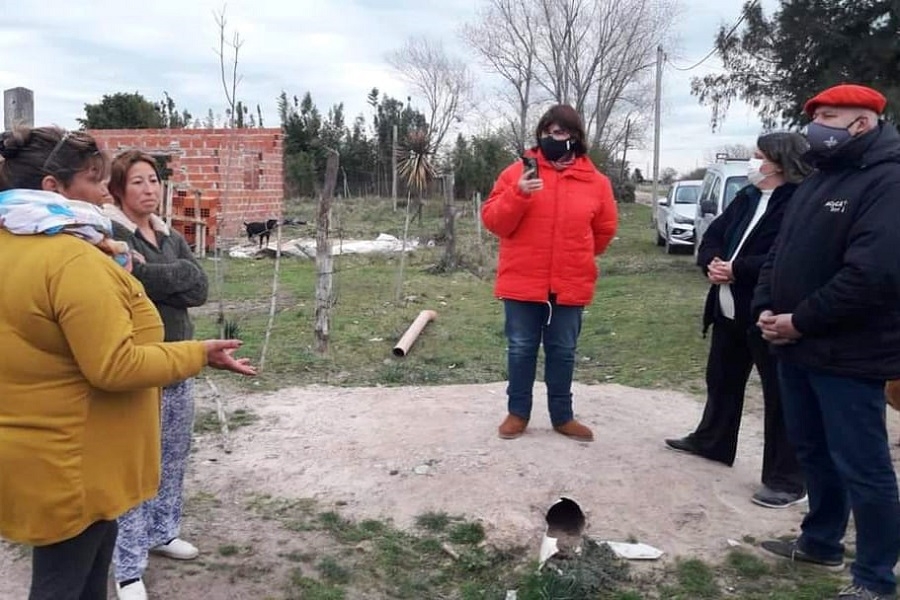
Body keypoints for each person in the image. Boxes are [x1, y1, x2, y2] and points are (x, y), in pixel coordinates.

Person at [0, 126, 256, 600]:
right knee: (63, 584)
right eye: (94, 179)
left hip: (37, 452)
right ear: (53, 187)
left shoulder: (17, 247)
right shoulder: (70, 259)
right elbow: (114, 365)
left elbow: (191, 282)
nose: (104, 191)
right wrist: (197, 353)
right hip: (77, 462)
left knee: (79, 577)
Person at [753, 84, 900, 600]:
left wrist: (801, 320)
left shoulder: (888, 181)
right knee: (813, 452)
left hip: (850, 353)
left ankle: (875, 578)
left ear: (862, 123)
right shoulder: (818, 179)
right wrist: (765, 306)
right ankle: (821, 542)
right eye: (814, 116)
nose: (815, 126)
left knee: (863, 464)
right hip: (797, 347)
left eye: (829, 117)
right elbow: (780, 252)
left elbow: (873, 275)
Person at [665, 132, 811, 508]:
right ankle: (712, 441)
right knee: (722, 378)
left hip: (766, 313)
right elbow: (713, 235)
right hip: (727, 308)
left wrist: (737, 269)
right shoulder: (746, 197)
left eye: (758, 155)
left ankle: (786, 480)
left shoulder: (799, 202)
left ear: (779, 162)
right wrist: (712, 263)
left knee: (780, 396)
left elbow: (790, 257)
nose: (752, 162)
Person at [103, 151, 209, 600]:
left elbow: (199, 288)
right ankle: (128, 569)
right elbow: (130, 285)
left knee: (173, 456)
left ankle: (163, 531)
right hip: (139, 366)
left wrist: (153, 274)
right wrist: (170, 277)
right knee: (134, 466)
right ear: (117, 190)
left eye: (153, 180)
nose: (149, 189)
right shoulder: (112, 236)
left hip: (179, 361)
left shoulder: (169, 235)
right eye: (138, 182)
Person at [482, 104, 618, 442]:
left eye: (559, 132)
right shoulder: (516, 174)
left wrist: (576, 256)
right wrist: (518, 194)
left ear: (575, 137)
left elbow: (603, 232)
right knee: (520, 349)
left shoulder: (597, 182)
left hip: (570, 282)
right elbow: (494, 222)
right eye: (546, 132)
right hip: (522, 281)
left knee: (563, 351)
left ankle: (562, 416)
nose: (551, 138)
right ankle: (518, 413)